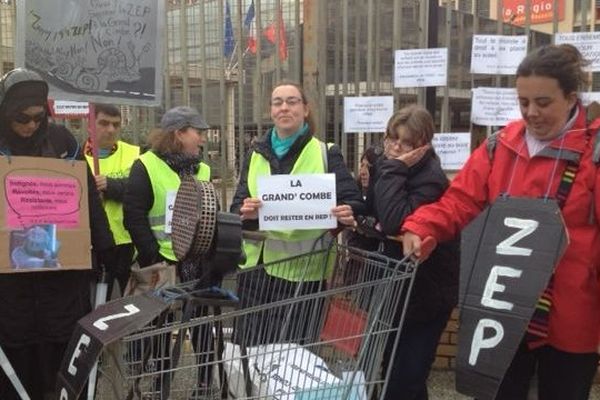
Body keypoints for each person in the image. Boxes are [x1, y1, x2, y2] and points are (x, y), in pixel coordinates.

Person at [402, 44, 600, 400]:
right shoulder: (500, 146)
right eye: (524, 102)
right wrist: (423, 226)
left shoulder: (594, 152)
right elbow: (460, 200)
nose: (531, 113)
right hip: (501, 307)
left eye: (543, 102)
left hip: (571, 311)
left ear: (571, 99)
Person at [0, 68, 115, 400]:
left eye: (38, 117)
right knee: (16, 370)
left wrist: (106, 248)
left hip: (60, 285)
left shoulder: (63, 142)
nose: (31, 126)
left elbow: (89, 199)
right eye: (21, 118)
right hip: (12, 292)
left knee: (61, 367)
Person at [230, 80, 365, 345]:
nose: (284, 108)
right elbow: (237, 206)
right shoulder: (255, 154)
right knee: (251, 350)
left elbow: (353, 201)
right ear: (271, 111)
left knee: (292, 355)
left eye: (292, 102)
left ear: (305, 109)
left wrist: (347, 212)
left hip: (302, 275)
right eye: (277, 102)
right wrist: (245, 211)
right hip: (256, 275)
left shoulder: (326, 153)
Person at [362, 105, 459, 400]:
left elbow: (395, 221)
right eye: (390, 138)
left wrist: (393, 169)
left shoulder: (430, 180)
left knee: (405, 379)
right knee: (393, 373)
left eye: (403, 142)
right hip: (396, 292)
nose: (393, 147)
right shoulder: (389, 167)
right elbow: (374, 213)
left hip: (426, 295)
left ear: (421, 146)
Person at [123, 105, 213, 397]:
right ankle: (160, 383)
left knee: (201, 325)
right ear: (178, 133)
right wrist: (154, 259)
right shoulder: (146, 165)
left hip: (195, 262)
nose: (201, 139)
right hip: (162, 263)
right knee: (160, 329)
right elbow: (134, 217)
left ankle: (205, 383)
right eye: (197, 133)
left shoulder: (203, 169)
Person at [84, 103, 140, 297]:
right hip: (94, 242)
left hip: (126, 241)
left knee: (129, 301)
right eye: (104, 123)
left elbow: (138, 190)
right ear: (90, 125)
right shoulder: (76, 156)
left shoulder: (134, 154)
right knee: (98, 299)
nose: (111, 130)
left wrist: (110, 185)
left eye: (116, 125)